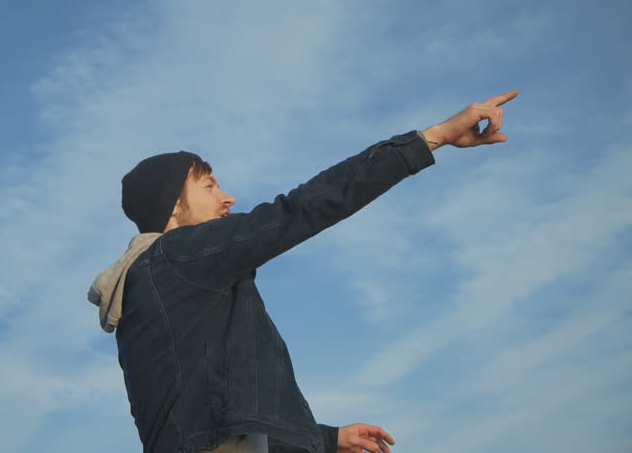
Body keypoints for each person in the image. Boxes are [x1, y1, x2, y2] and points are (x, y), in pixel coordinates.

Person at [88, 90, 519, 453]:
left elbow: (218, 415)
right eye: (209, 185)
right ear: (172, 206)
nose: (227, 197)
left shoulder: (156, 286)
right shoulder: (179, 257)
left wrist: (328, 439)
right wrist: (433, 138)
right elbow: (300, 210)